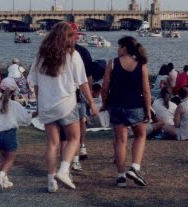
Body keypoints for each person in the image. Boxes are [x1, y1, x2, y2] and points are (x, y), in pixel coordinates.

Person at [27, 22, 98, 193]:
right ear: (68, 38)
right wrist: (91, 102)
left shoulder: (41, 56)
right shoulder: (73, 55)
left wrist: (39, 102)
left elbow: (35, 83)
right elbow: (82, 83)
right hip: (66, 103)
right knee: (75, 137)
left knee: (52, 143)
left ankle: (51, 181)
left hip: (47, 105)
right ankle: (64, 170)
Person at [101, 36, 151, 188]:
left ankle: (121, 176)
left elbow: (104, 87)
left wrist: (105, 104)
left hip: (116, 106)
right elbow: (146, 91)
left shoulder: (113, 63)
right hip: (135, 105)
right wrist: (148, 110)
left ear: (124, 48)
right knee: (140, 135)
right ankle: (135, 167)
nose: (117, 49)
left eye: (119, 46)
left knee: (120, 141)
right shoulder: (141, 65)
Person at [0, 78, 35, 190]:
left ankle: (4, 180)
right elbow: (26, 119)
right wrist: (36, 113)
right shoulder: (15, 105)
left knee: (4, 158)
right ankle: (2, 174)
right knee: (10, 159)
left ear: (0, 89)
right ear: (13, 92)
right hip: (10, 135)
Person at [68, 22, 95, 169]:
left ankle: (80, 146)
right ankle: (72, 157)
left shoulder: (83, 52)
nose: (74, 38)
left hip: (79, 94)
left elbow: (88, 77)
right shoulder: (57, 52)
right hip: (65, 94)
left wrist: (88, 95)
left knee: (81, 121)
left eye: (75, 35)